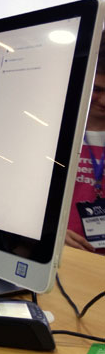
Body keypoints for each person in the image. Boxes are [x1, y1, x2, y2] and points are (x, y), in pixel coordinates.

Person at [66, 33, 105, 254]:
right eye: (97, 90)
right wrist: (51, 234)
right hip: (59, 253)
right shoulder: (59, 133)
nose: (104, 101)